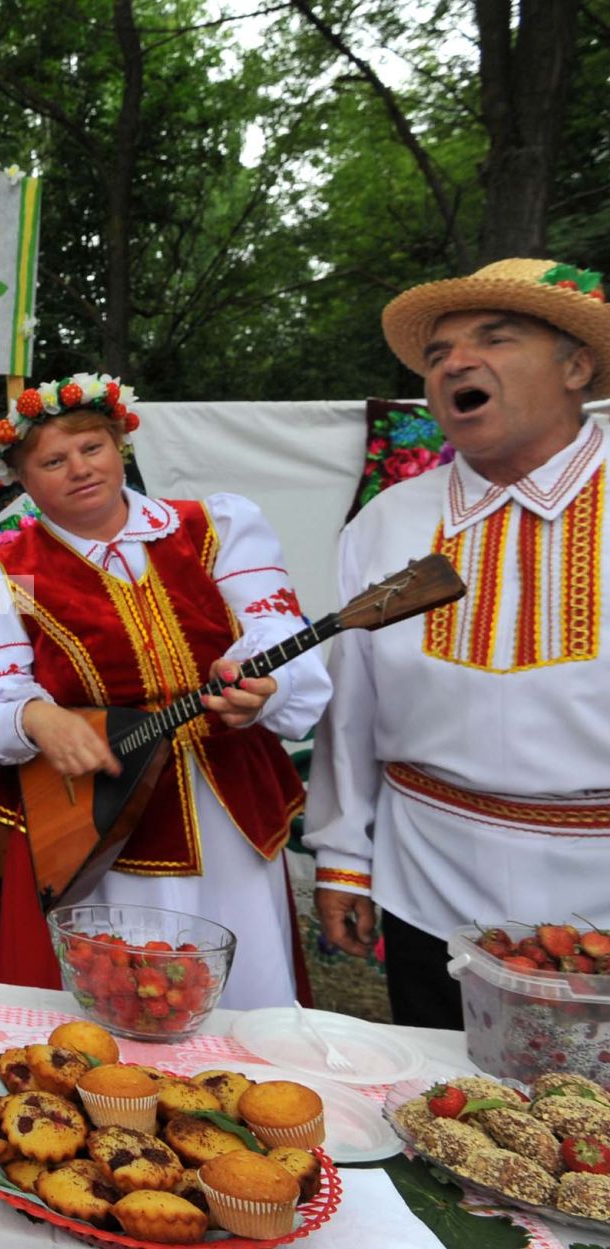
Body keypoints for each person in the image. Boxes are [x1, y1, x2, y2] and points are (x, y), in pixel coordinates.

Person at [0, 374, 331, 1010]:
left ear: (120, 444)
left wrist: (260, 683)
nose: (78, 469)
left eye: (91, 447)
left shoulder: (215, 527)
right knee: (118, 990)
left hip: (224, 805)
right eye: (51, 460)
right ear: (22, 478)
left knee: (242, 984)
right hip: (99, 819)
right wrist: (38, 718)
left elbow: (276, 627)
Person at [306, 258, 610, 1029]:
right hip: (430, 877)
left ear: (577, 365)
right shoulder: (390, 520)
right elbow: (352, 706)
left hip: (601, 882)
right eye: (438, 354)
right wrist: (344, 856)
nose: (456, 364)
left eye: (495, 339)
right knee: (448, 1108)